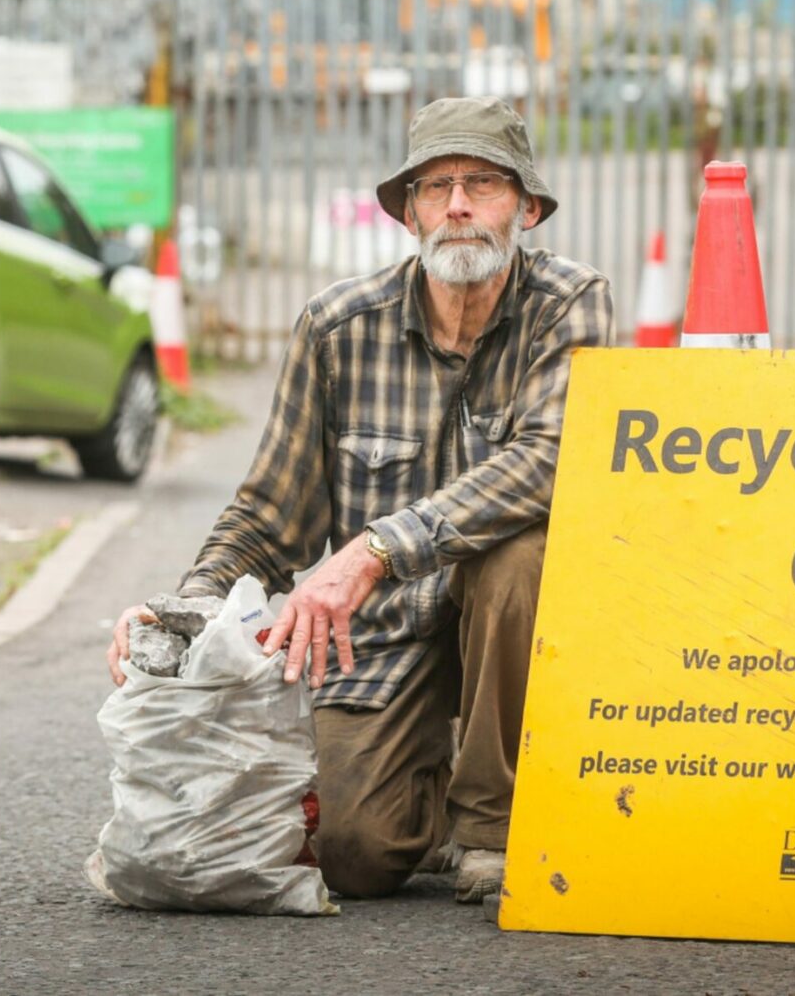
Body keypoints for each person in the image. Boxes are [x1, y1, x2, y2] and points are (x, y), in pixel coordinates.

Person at [106, 96, 613, 903]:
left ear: (528, 206)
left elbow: (547, 460)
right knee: (352, 853)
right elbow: (270, 510)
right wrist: (187, 608)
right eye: (435, 185)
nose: (458, 205)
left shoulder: (570, 303)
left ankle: (490, 824)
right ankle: (437, 788)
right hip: (384, 643)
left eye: (482, 183)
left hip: (518, 628)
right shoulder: (338, 327)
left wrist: (375, 550)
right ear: (409, 213)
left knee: (515, 553)